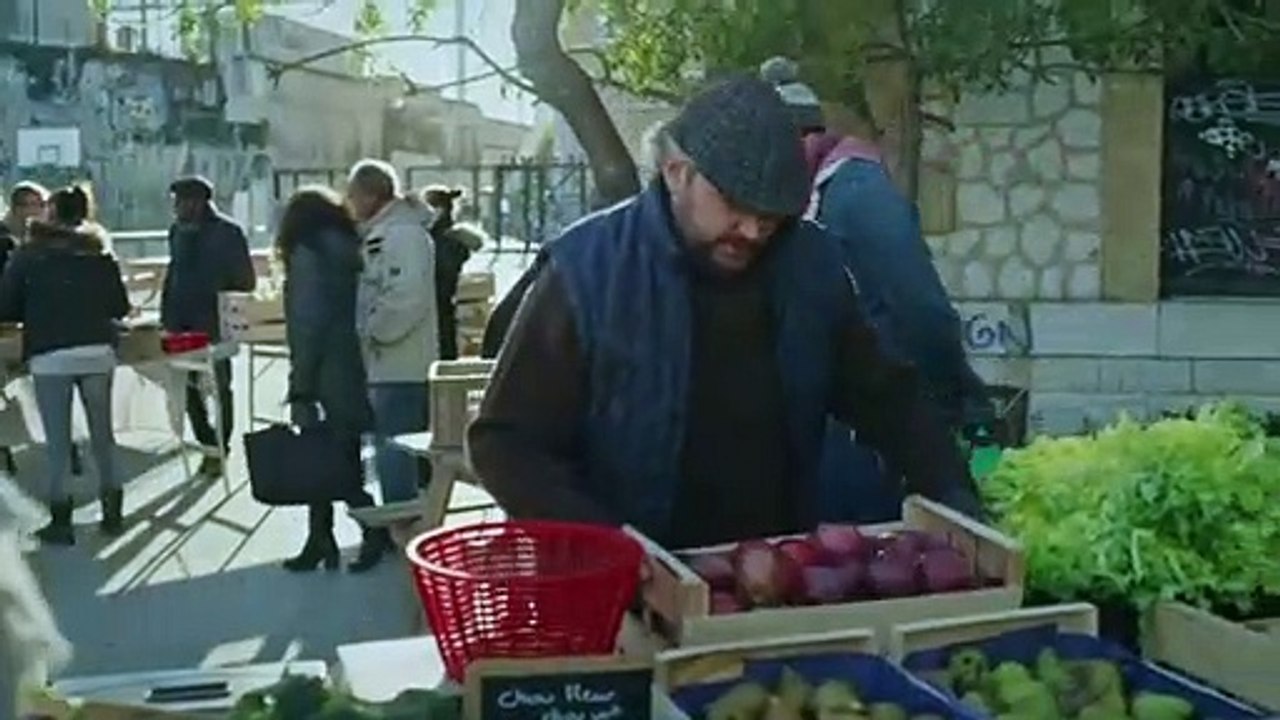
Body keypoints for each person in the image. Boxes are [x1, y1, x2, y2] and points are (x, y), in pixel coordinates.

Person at [467, 76, 982, 550]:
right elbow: (507, 445)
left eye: (770, 214)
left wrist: (951, 491)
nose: (754, 231)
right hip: (616, 587)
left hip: (768, 578)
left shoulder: (810, 262)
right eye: (736, 204)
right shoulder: (586, 269)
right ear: (677, 172)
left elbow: (886, 396)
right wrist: (615, 552)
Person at [760, 57, 994, 523]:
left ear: (804, 140)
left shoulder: (858, 194)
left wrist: (949, 397)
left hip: (875, 433)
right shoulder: (818, 198)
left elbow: (922, 308)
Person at [0, 185, 131, 545]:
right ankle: (113, 513)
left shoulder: (28, 255)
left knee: (58, 442)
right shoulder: (99, 252)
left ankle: (62, 521)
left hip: (50, 356)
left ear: (52, 214)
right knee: (103, 436)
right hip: (97, 352)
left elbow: (6, 307)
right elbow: (119, 306)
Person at [275, 187, 382, 574]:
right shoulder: (348, 249)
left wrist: (300, 384)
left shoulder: (307, 254)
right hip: (351, 366)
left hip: (322, 373)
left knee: (323, 461)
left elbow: (308, 322)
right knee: (340, 458)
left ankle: (368, 529)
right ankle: (321, 538)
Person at [345, 159, 437, 570]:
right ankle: (405, 529)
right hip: (388, 363)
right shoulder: (387, 233)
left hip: (401, 364)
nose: (349, 203)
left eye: (353, 194)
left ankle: (406, 535)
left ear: (370, 195)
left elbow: (407, 296)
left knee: (395, 454)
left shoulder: (402, 236)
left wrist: (374, 330)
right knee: (392, 451)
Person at [161, 176, 256, 479]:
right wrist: (165, 316)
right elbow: (172, 272)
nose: (176, 208)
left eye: (181, 201)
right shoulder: (176, 232)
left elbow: (245, 280)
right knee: (186, 388)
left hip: (215, 325)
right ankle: (206, 443)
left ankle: (221, 446)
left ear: (198, 202)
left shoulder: (228, 233)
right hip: (181, 323)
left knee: (220, 388)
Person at [421, 185, 487, 360]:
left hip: (436, 311)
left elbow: (439, 277)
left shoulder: (442, 242)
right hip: (442, 311)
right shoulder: (447, 239)